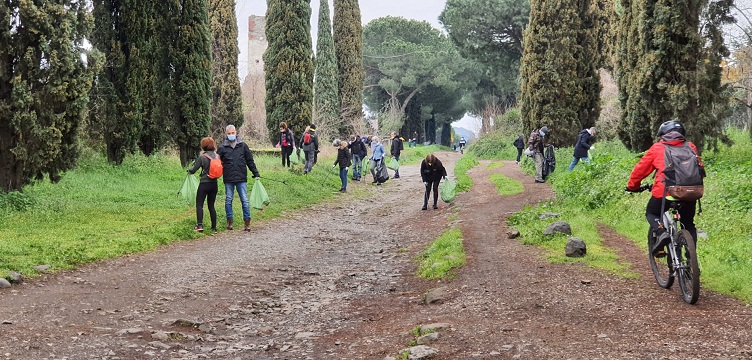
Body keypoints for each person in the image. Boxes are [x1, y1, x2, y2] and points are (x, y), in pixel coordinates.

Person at [626, 120, 703, 257]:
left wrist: (633, 186)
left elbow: (640, 170)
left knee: (652, 213)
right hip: (691, 192)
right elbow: (699, 168)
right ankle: (691, 259)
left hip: (666, 193)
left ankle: (661, 233)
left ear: (663, 134)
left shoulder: (657, 148)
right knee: (688, 223)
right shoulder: (690, 146)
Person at [217, 125, 261, 232]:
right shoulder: (222, 148)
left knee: (244, 200)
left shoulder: (243, 146)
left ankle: (247, 223)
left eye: (233, 133)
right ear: (226, 134)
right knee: (228, 200)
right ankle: (229, 222)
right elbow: (216, 163)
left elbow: (250, 160)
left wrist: (255, 173)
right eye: (229, 133)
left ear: (236, 133)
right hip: (228, 178)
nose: (231, 135)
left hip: (241, 177)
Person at [187, 137, 219, 234]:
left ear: (203, 146)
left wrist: (189, 170)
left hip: (204, 184)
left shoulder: (202, 157)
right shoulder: (217, 156)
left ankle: (199, 225)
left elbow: (193, 170)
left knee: (199, 204)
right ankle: (214, 227)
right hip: (214, 184)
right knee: (211, 205)